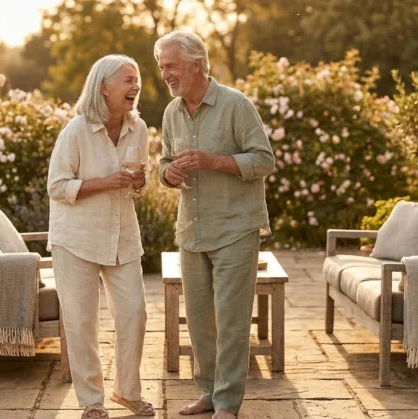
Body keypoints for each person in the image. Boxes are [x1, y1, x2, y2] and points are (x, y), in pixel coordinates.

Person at [155, 31, 276, 419]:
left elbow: (264, 160)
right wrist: (168, 173)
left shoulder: (235, 105)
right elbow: (162, 164)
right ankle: (207, 393)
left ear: (196, 64)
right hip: (192, 230)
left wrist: (214, 161)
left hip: (235, 228)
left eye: (170, 66)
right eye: (161, 67)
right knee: (201, 322)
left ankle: (227, 403)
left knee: (232, 321)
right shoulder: (172, 112)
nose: (165, 74)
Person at [47, 54, 154, 419]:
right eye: (128, 80)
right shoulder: (76, 131)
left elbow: (140, 180)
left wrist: (139, 182)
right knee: (81, 322)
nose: (135, 86)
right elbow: (57, 186)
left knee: (134, 314)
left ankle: (127, 391)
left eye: (136, 79)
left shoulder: (139, 129)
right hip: (75, 239)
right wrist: (104, 183)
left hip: (122, 236)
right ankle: (92, 401)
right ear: (104, 86)